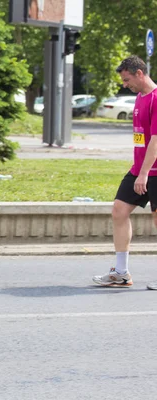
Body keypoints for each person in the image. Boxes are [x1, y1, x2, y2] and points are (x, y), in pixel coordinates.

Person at [92, 55, 157, 290]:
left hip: (153, 171)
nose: (124, 84)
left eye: (127, 79)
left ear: (140, 73)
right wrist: (139, 171)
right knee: (119, 210)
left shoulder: (156, 99)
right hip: (139, 169)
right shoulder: (139, 98)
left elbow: (156, 142)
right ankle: (121, 273)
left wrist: (144, 174)